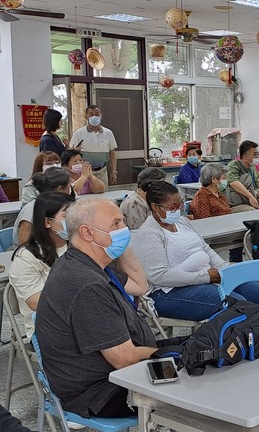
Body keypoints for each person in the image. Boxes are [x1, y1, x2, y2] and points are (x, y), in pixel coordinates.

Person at [35, 198, 154, 418]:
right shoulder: (85, 283)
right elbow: (124, 359)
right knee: (196, 388)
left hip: (111, 376)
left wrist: (120, 243)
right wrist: (170, 356)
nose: (125, 229)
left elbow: (140, 285)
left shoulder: (87, 262)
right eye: (116, 224)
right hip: (100, 392)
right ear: (88, 233)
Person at [130, 181, 259, 321]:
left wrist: (223, 266)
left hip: (205, 278)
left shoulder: (182, 222)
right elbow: (159, 276)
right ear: (155, 207)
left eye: (180, 205)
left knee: (257, 292)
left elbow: (204, 247)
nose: (178, 210)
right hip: (169, 291)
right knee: (235, 303)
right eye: (173, 207)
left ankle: (258, 334)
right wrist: (207, 277)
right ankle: (236, 340)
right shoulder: (149, 234)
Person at [9, 192, 75, 337]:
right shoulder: (27, 257)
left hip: (81, 318)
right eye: (66, 216)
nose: (74, 221)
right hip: (47, 329)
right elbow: (36, 302)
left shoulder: (77, 246)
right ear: (47, 222)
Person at [13, 168, 74, 247]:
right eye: (69, 187)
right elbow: (24, 245)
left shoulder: (62, 207)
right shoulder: (30, 211)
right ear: (60, 189)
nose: (71, 192)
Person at [69, 105, 118, 187]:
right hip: (84, 173)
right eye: (91, 114)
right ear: (86, 116)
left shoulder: (108, 133)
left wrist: (114, 172)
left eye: (97, 114)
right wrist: (74, 151)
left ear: (101, 116)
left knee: (103, 195)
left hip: (102, 172)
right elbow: (70, 153)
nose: (94, 116)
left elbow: (112, 154)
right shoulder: (79, 133)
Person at [225, 140, 259, 212]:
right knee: (251, 211)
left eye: (258, 154)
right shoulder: (233, 165)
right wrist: (250, 196)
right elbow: (233, 183)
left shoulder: (252, 167)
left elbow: (257, 186)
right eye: (255, 154)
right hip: (237, 203)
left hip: (252, 199)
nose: (257, 157)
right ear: (245, 156)